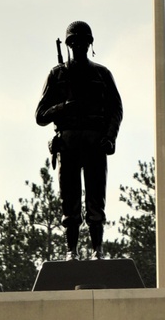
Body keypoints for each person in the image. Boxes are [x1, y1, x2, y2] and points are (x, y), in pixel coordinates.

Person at [35, 21, 123, 259]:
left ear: (90, 44)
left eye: (83, 42)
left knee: (96, 200)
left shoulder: (102, 74)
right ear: (68, 44)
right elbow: (40, 115)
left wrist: (109, 138)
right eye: (74, 42)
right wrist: (64, 107)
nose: (79, 46)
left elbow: (116, 110)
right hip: (69, 144)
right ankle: (71, 250)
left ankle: (97, 249)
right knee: (70, 201)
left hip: (95, 143)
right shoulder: (57, 74)